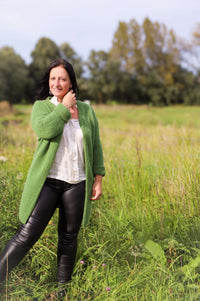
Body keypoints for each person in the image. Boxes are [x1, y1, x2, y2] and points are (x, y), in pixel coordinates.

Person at [0, 59, 105, 297]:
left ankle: (62, 291)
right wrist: (63, 107)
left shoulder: (87, 111)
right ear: (48, 84)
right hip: (48, 182)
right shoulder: (42, 107)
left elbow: (95, 145)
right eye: (53, 79)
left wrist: (98, 178)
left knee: (69, 238)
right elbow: (45, 130)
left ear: (71, 83)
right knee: (26, 235)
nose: (57, 83)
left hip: (76, 183)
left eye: (62, 79)